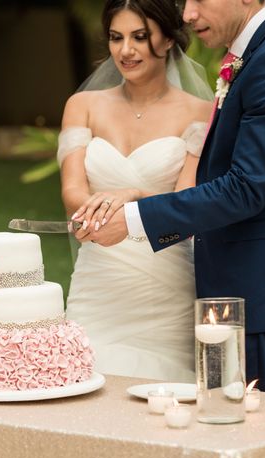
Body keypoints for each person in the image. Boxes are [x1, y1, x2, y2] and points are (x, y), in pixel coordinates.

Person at [80, 0, 265, 394]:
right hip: (246, 286)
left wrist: (136, 217)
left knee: (261, 431)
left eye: (199, 0)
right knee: (228, 422)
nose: (188, 14)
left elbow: (245, 188)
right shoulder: (261, 52)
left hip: (264, 290)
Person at [58, 0, 213, 381]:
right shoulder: (82, 106)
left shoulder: (202, 113)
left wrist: (135, 197)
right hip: (99, 281)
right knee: (83, 385)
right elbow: (73, 192)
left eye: (139, 37)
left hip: (166, 279)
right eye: (116, 37)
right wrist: (103, 209)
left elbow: (187, 201)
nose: (125, 50)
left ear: (169, 39)